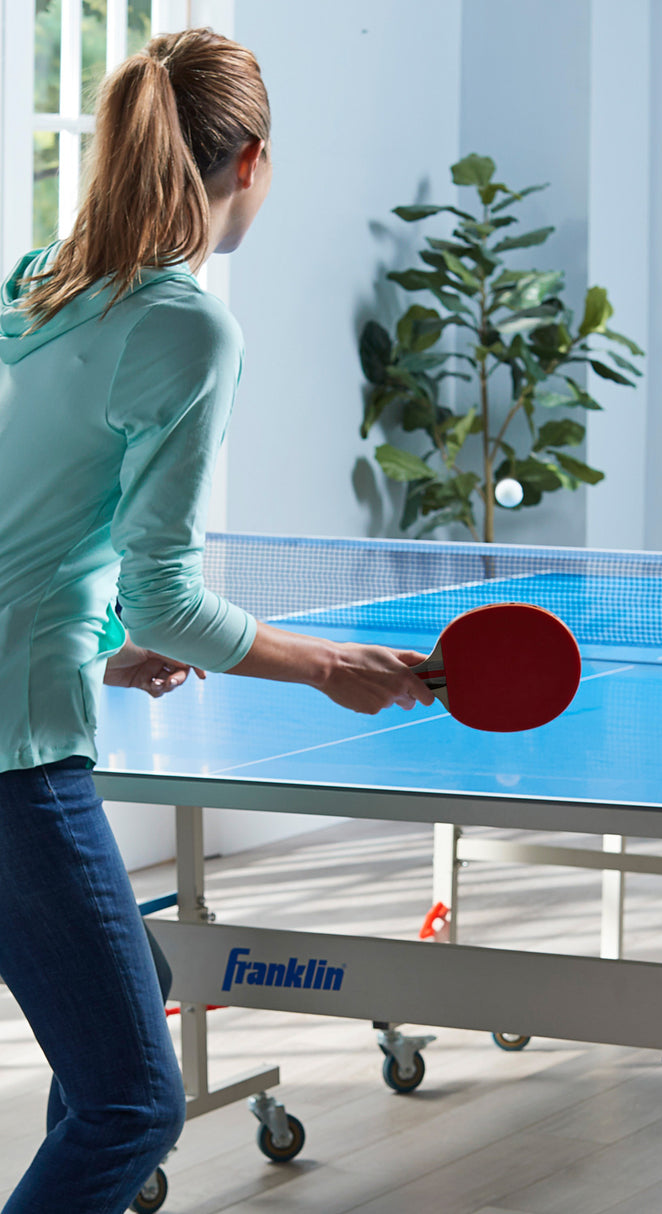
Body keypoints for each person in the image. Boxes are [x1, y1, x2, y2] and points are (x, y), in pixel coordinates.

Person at [0, 30, 434, 1213]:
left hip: (16, 717)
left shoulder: (37, 282)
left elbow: (24, 533)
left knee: (116, 1028)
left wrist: (93, 647)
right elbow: (166, 594)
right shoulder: (186, 326)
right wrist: (326, 662)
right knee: (136, 1101)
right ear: (251, 161)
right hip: (15, 763)